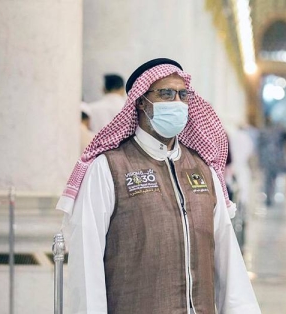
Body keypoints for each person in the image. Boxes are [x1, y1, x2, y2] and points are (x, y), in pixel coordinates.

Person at [57, 58, 261, 314]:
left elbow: (227, 257)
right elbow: (87, 265)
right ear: (142, 101)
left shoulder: (203, 170)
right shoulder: (110, 168)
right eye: (165, 93)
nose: (177, 102)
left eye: (182, 94)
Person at [258, 116, 286, 207]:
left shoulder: (267, 132)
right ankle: (269, 196)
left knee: (269, 179)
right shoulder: (274, 132)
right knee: (270, 179)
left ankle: (269, 195)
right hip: (272, 159)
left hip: (271, 159)